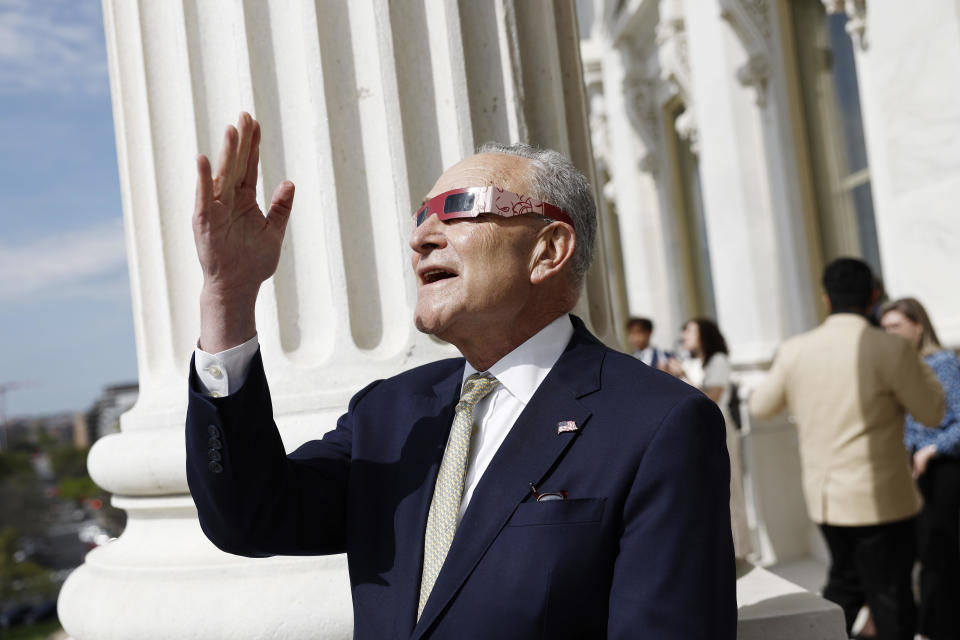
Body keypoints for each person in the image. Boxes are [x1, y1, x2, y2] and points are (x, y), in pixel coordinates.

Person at [185, 112, 736, 639]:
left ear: (548, 250)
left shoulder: (659, 424)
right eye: (422, 216)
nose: (422, 236)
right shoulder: (390, 413)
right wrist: (228, 298)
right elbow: (249, 517)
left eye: (460, 207)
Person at [749, 257, 945, 640]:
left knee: (846, 583)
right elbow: (932, 411)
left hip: (825, 497)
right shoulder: (890, 348)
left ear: (825, 299)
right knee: (890, 596)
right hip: (882, 497)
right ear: (873, 296)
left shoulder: (795, 350)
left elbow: (761, 407)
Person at [880, 298, 960, 640]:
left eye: (896, 326)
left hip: (941, 469)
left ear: (918, 325)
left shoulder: (941, 363)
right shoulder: (896, 366)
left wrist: (931, 449)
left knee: (936, 554)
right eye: (884, 329)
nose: (890, 335)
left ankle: (929, 631)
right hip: (907, 470)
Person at [663, 318, 752, 559]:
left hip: (722, 431)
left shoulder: (719, 361)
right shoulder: (694, 362)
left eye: (690, 330)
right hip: (701, 433)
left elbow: (710, 398)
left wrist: (682, 375)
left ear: (704, 334)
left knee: (731, 490)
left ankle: (740, 551)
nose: (684, 335)